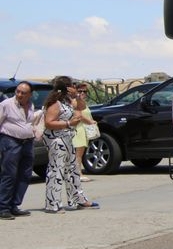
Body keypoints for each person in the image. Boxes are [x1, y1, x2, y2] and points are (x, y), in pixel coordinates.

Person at [42, 76, 99, 214]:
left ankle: (78, 199)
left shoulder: (67, 101)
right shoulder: (55, 103)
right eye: (73, 85)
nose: (75, 87)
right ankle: (53, 204)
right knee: (56, 170)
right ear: (67, 88)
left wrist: (77, 96)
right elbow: (49, 122)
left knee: (72, 170)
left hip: (68, 139)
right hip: (57, 140)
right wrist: (68, 123)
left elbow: (82, 107)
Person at [0, 81, 39, 219]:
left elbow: (29, 122)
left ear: (30, 94)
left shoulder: (30, 105)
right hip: (10, 141)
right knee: (9, 175)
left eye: (23, 93)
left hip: (27, 142)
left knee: (25, 175)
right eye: (18, 91)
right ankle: (3, 208)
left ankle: (14, 205)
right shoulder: (6, 105)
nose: (19, 94)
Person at [73, 83, 97, 183]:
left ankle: (77, 173)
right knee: (78, 154)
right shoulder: (75, 102)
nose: (82, 93)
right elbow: (79, 116)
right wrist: (90, 122)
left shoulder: (82, 102)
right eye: (80, 91)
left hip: (83, 129)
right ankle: (78, 174)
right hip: (78, 129)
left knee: (80, 153)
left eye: (85, 91)